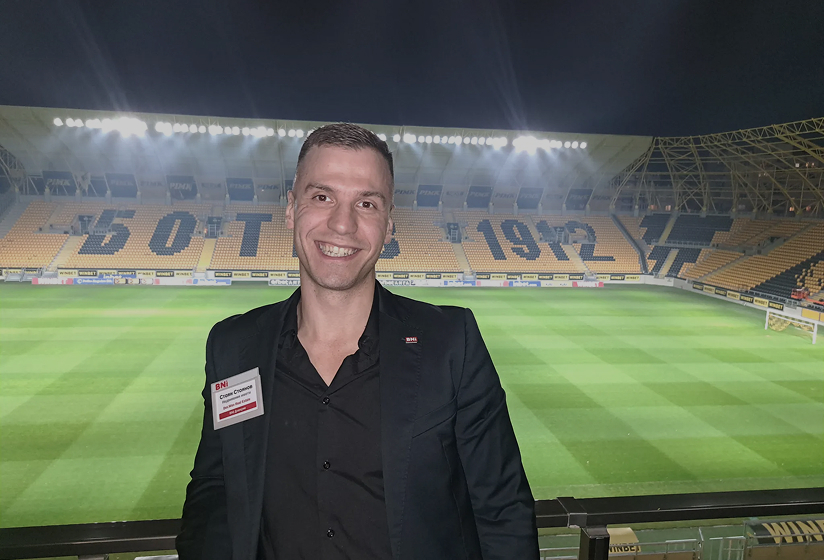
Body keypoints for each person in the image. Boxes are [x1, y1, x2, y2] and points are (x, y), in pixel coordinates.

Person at [177, 123, 539, 560]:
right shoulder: (233, 347)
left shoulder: (451, 343)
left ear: (388, 225)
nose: (342, 223)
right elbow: (215, 488)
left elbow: (502, 509)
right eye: (322, 197)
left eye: (366, 203)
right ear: (291, 209)